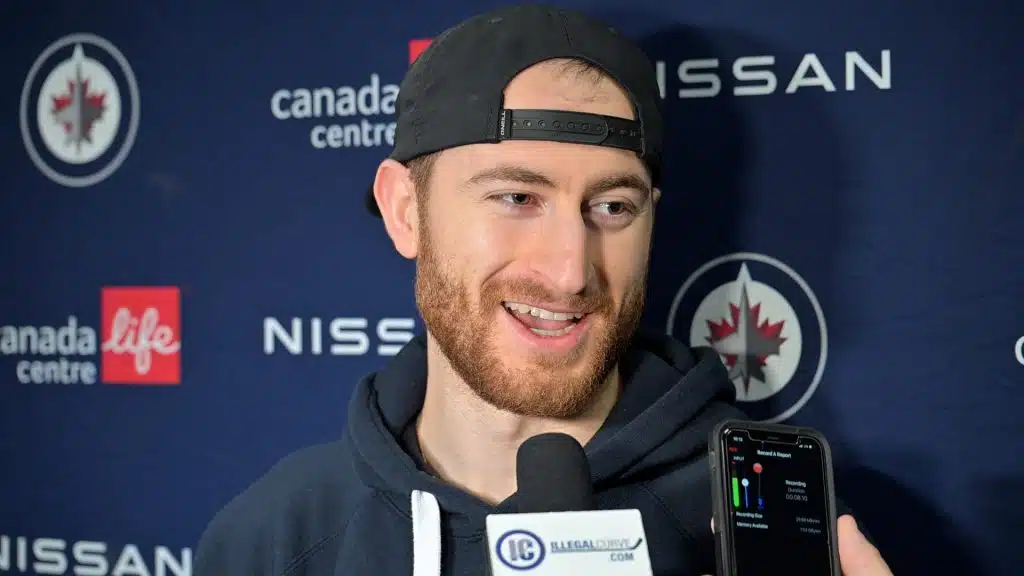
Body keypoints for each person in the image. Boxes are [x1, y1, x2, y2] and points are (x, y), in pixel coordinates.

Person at [194, 4, 894, 575]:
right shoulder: (274, 539)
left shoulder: (766, 531)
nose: (570, 272)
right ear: (406, 211)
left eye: (612, 207)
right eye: (517, 198)